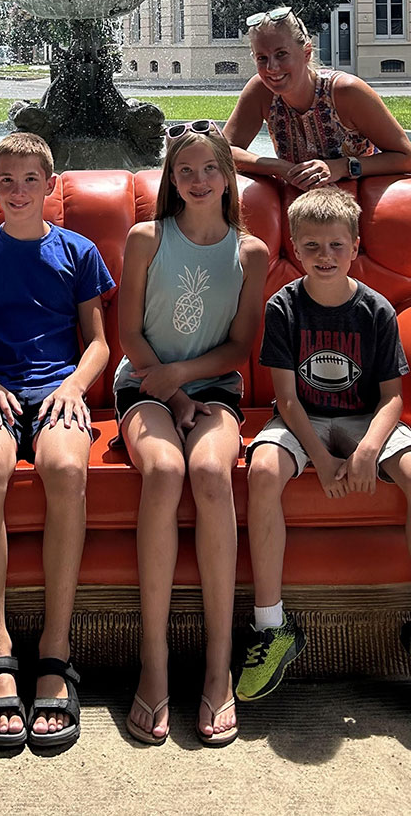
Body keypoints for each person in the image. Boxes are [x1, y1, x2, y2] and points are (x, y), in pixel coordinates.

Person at [237, 187, 411, 715]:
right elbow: (286, 399)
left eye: (336, 246)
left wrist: (367, 451)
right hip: (303, 418)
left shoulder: (376, 309)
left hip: (367, 419)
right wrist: (321, 460)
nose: (324, 256)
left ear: (355, 247)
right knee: (263, 470)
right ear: (295, 248)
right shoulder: (283, 307)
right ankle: (271, 626)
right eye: (312, 246)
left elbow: (393, 398)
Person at [0, 132, 115, 753]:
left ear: (51, 187)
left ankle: (55, 646)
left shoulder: (77, 251)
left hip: (58, 392)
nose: (18, 191)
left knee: (67, 471)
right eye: (6, 181)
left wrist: (74, 386)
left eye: (31, 181)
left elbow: (98, 342)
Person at [114, 121, 269, 747]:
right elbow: (128, 334)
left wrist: (187, 380)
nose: (199, 180)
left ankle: (217, 665)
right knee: (165, 469)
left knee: (208, 471)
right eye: (186, 171)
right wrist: (172, 392)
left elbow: (240, 345)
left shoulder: (250, 253)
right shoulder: (147, 238)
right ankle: (153, 664)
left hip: (214, 386)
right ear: (171, 180)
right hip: (145, 383)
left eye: (211, 169)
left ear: (229, 177)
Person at [223, 5, 411, 192]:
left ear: (306, 53)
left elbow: (407, 159)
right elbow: (222, 151)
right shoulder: (261, 91)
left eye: (281, 54)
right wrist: (278, 167)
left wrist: (341, 167)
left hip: (357, 201)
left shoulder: (346, 92)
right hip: (301, 205)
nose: (271, 68)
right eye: (262, 58)